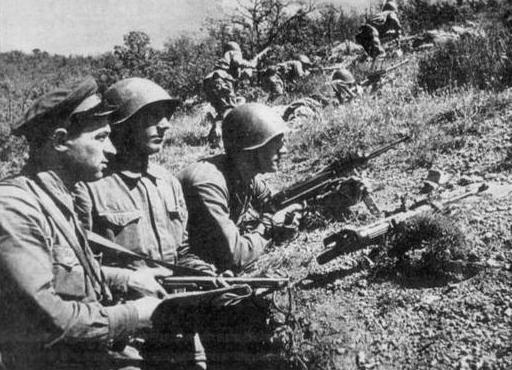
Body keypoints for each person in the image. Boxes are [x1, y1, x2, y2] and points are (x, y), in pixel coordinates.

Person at [0, 77, 168, 370]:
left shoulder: (58, 198)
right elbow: (48, 320)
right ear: (60, 141)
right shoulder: (15, 209)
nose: (111, 150)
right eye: (100, 138)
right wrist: (135, 314)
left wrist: (127, 279)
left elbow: (64, 271)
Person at [75, 77, 213, 369]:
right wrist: (128, 281)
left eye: (166, 116)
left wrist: (204, 274)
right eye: (153, 116)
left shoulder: (168, 182)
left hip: (178, 328)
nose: (166, 125)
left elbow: (181, 251)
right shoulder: (89, 187)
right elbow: (79, 270)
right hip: (124, 337)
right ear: (122, 124)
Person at [178, 103, 301, 273]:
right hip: (178, 264)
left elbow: (272, 203)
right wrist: (269, 227)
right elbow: (235, 257)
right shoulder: (208, 184)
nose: (284, 150)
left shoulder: (243, 174)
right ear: (251, 149)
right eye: (276, 144)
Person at [203, 41, 259, 148]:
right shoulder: (232, 53)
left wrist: (247, 69)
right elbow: (237, 61)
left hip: (210, 81)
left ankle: (213, 136)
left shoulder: (224, 60)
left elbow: (239, 75)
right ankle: (218, 134)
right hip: (221, 79)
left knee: (222, 111)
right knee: (229, 110)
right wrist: (251, 64)